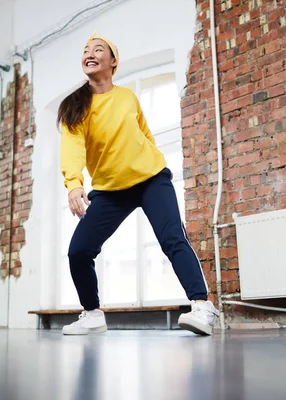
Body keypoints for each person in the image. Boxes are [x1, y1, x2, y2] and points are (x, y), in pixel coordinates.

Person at [58, 33, 219, 336]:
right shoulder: (74, 106)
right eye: (85, 50)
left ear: (113, 62)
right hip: (109, 190)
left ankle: (201, 306)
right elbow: (72, 147)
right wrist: (74, 184)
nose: (89, 53)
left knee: (172, 237)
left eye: (98, 49)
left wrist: (147, 163)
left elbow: (145, 135)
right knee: (78, 251)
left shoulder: (127, 97)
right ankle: (92, 314)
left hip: (151, 180)